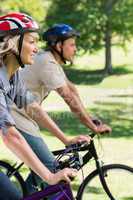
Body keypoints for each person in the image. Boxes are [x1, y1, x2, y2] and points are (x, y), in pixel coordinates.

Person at [11, 24, 111, 194]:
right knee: (55, 170)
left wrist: (91, 119)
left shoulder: (52, 62)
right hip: (15, 117)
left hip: (25, 115)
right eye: (71, 44)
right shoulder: (47, 63)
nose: (75, 49)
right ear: (58, 46)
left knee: (42, 168)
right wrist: (92, 128)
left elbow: (72, 90)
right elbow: (69, 99)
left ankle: (27, 194)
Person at [0, 14, 82, 200]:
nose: (37, 49)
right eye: (32, 42)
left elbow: (34, 108)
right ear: (12, 43)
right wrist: (50, 177)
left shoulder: (13, 76)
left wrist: (66, 139)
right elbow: (11, 136)